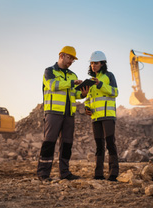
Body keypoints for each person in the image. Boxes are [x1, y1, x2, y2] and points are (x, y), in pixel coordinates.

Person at [37, 46, 88, 181]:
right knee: (49, 142)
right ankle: (43, 174)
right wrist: (72, 83)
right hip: (53, 112)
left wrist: (83, 94)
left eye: (73, 59)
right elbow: (53, 85)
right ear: (61, 55)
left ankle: (65, 173)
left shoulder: (73, 75)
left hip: (69, 114)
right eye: (69, 58)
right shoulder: (49, 71)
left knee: (67, 144)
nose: (71, 61)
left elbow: (75, 93)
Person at [84, 51, 119, 181]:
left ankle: (113, 173)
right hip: (95, 117)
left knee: (110, 143)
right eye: (92, 63)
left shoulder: (109, 76)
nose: (93, 65)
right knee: (99, 145)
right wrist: (86, 107)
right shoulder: (90, 81)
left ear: (102, 64)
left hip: (108, 116)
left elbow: (115, 92)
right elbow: (88, 98)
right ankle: (98, 174)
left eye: (96, 63)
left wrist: (101, 85)